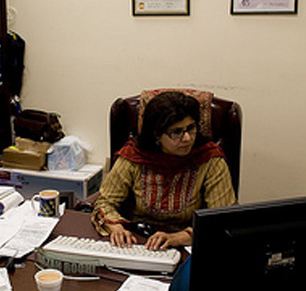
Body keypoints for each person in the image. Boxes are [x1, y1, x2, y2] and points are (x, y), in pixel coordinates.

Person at [92, 91, 237, 250]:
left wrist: (179, 238)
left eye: (191, 128)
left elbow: (221, 219)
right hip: (136, 242)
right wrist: (116, 227)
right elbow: (105, 202)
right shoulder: (134, 156)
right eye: (176, 132)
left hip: (188, 245)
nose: (187, 138)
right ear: (157, 135)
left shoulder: (209, 159)